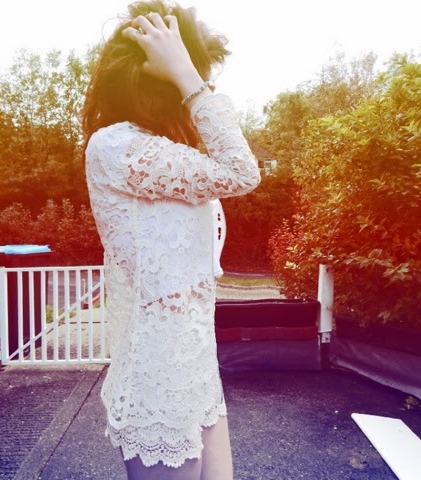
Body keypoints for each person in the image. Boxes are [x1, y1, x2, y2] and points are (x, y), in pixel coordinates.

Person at [82, 1, 261, 478]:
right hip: (157, 376)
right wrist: (189, 76)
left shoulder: (162, 153)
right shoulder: (116, 146)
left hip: (196, 367)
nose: (196, 91)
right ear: (158, 83)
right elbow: (241, 171)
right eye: (189, 77)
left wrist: (186, 75)